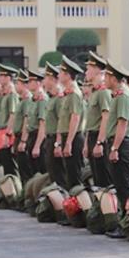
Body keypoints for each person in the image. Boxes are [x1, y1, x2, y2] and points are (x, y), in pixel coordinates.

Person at [105, 59, 129, 227]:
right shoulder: (118, 95)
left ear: (113, 78)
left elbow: (122, 124)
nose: (104, 79)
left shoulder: (123, 95)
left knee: (125, 186)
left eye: (106, 76)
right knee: (120, 185)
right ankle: (125, 221)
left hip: (122, 144)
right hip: (118, 143)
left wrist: (115, 148)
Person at [55, 57, 86, 189]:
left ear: (67, 75)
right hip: (67, 137)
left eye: (61, 73)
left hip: (73, 138)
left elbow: (75, 118)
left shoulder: (74, 94)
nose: (58, 75)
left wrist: (68, 142)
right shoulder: (68, 94)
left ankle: (77, 208)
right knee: (69, 176)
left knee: (74, 178)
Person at [84, 52, 113, 188]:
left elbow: (106, 118)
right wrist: (86, 143)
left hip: (99, 137)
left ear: (96, 70)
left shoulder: (103, 92)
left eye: (88, 68)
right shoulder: (95, 91)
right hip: (92, 136)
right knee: (96, 179)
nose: (86, 72)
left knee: (103, 180)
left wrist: (100, 142)